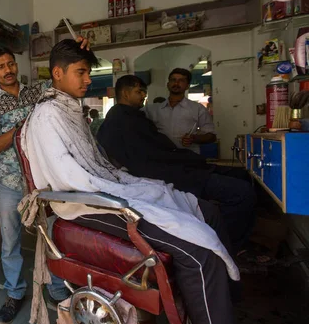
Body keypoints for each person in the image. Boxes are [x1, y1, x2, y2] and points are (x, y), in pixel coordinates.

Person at [23, 39, 239, 324]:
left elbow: (94, 164)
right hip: (83, 204)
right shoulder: (47, 115)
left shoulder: (71, 109)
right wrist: (115, 192)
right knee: (199, 251)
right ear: (57, 73)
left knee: (208, 211)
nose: (88, 79)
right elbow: (67, 177)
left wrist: (123, 183)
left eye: (89, 72)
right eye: (81, 72)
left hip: (102, 191)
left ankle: (222, 306)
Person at [0, 39, 89, 324]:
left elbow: (63, 79)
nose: (8, 70)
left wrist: (76, 54)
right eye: (1, 67)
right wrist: (20, 127)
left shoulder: (37, 92)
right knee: (10, 241)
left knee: (53, 235)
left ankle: (55, 288)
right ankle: (15, 293)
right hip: (11, 183)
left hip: (43, 181)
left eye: (11, 64)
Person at [97, 75, 256, 255]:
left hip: (174, 166)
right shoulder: (128, 119)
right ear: (125, 93)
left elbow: (154, 150)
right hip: (170, 174)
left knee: (243, 175)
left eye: (144, 92)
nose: (143, 96)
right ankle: (228, 248)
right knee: (242, 192)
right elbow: (151, 155)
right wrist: (187, 159)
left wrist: (188, 157)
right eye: (139, 91)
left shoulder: (132, 117)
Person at [146, 68, 216, 154]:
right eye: (173, 80)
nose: (176, 83)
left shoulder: (198, 109)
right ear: (168, 84)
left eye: (181, 80)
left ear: (187, 86)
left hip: (188, 159)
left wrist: (193, 138)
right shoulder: (153, 109)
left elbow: (211, 136)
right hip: (162, 158)